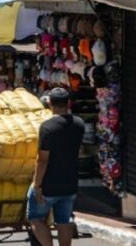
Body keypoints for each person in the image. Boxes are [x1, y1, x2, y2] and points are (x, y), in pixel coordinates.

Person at [27, 87, 85, 246]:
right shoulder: (79, 124)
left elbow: (42, 160)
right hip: (70, 184)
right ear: (68, 103)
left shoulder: (47, 127)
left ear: (50, 104)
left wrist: (37, 185)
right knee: (63, 221)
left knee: (35, 219)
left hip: (49, 186)